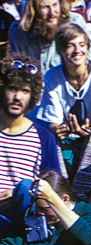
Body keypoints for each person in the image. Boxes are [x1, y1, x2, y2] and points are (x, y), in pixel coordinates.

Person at [38, 24, 91, 176]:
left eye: (82, 45)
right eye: (70, 46)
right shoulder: (52, 76)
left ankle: (86, 187)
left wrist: (87, 130)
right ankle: (61, 185)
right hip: (69, 135)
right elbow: (53, 122)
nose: (77, 51)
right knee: (52, 142)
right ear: (61, 51)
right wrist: (59, 130)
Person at [0, 55, 64, 194]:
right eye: (12, 89)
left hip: (25, 204)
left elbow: (52, 188)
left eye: (25, 91)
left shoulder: (43, 137)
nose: (18, 97)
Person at [9, 0, 91, 76]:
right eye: (44, 7)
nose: (52, 13)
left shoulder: (75, 23)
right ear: (33, 9)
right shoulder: (18, 31)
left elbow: (90, 66)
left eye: (55, 5)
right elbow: (18, 72)